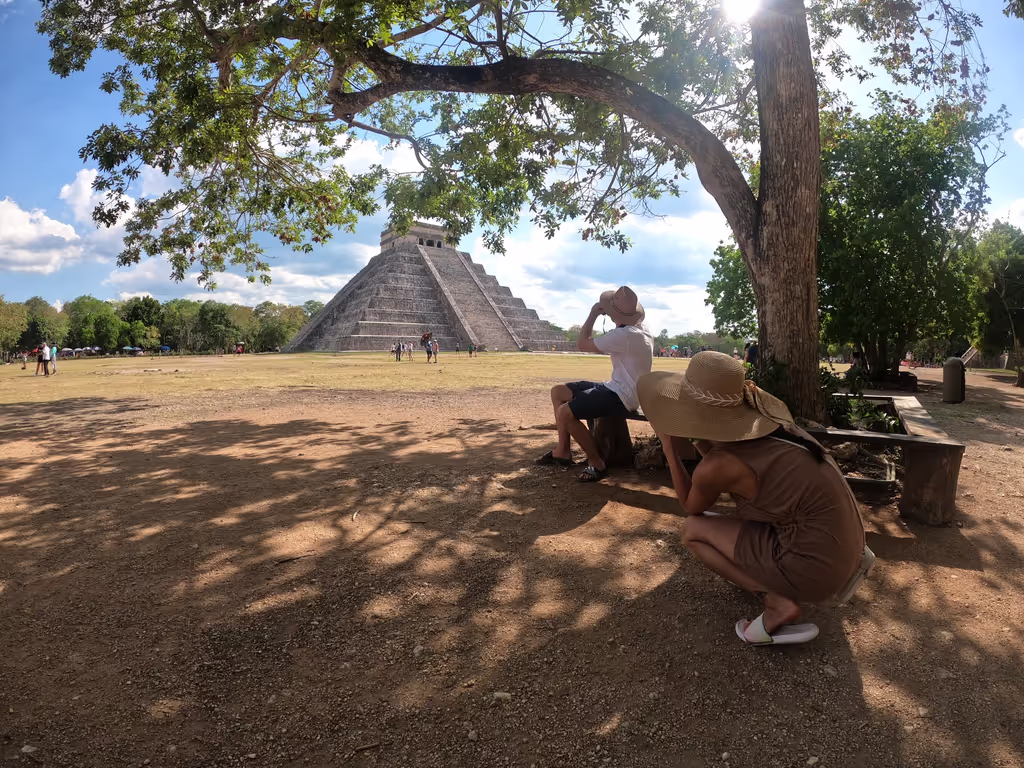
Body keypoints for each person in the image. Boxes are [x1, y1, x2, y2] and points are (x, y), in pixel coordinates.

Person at [637, 351, 872, 646]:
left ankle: (776, 602)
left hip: (818, 571)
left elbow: (690, 505)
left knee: (693, 532)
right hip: (846, 553)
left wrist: (669, 445)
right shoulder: (779, 429)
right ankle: (777, 579)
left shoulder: (721, 464)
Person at [535, 285, 653, 482]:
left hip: (622, 395)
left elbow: (582, 343)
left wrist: (592, 315)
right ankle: (562, 451)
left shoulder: (623, 335)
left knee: (565, 413)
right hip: (620, 388)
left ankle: (596, 462)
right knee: (558, 392)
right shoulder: (641, 331)